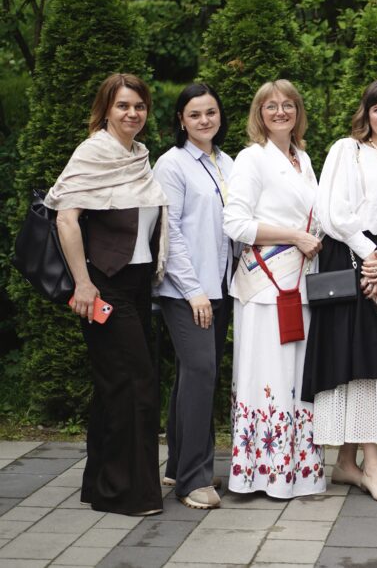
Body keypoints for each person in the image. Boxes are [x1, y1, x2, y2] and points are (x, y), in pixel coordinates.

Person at [47, 73, 169, 516]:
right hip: (103, 282)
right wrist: (83, 283)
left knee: (114, 384)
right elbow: (65, 218)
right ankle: (127, 494)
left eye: (139, 105)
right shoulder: (94, 152)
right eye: (123, 105)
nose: (132, 113)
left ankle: (101, 484)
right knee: (135, 383)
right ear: (106, 110)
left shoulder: (138, 156)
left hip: (136, 282)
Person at [302, 79, 377, 504]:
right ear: (366, 114)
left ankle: (346, 463)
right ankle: (372, 466)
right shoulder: (346, 150)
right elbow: (332, 211)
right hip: (352, 261)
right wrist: (372, 257)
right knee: (360, 361)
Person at [223, 79, 325, 498]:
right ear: (259, 114)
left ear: (298, 111)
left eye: (288, 105)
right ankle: (262, 472)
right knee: (268, 374)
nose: (280, 112)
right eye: (271, 106)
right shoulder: (252, 158)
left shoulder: (303, 157)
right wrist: (295, 236)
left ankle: (298, 470)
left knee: (297, 376)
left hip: (301, 283)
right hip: (265, 287)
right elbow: (235, 223)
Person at [153, 84, 233, 509]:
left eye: (211, 112)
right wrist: (193, 291)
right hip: (187, 290)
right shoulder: (172, 164)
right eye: (195, 114)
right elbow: (171, 232)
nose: (205, 120)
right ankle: (194, 479)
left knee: (193, 372)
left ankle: (176, 465)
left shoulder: (227, 162)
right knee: (201, 371)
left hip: (221, 287)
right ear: (181, 121)